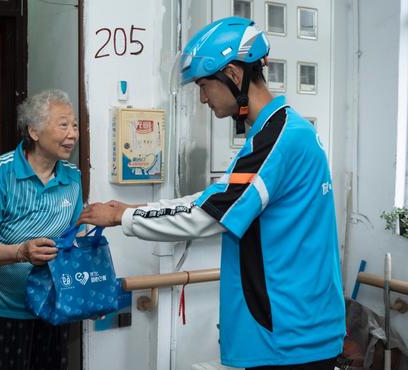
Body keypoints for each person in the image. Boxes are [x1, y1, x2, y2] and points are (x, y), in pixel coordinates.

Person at [78, 16, 345, 370]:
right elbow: (217, 199)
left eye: (204, 85)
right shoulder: (281, 131)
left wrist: (121, 217)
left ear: (234, 75)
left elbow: (209, 214)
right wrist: (136, 206)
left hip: (289, 336)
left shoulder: (278, 138)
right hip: (295, 330)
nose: (203, 98)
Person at [0, 89, 82, 370]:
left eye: (74, 125)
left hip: (54, 307)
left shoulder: (73, 177)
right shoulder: (0, 172)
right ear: (35, 131)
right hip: (5, 312)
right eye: (63, 125)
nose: (73, 134)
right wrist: (21, 251)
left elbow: (73, 238)